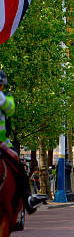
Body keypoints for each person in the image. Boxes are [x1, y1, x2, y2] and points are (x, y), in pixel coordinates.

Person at [0, 70, 47, 218]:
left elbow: (10, 110)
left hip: (3, 142)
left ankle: (27, 200)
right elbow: (9, 108)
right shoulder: (3, 96)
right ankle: (27, 199)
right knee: (18, 165)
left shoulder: (4, 96)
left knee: (19, 165)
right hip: (2, 143)